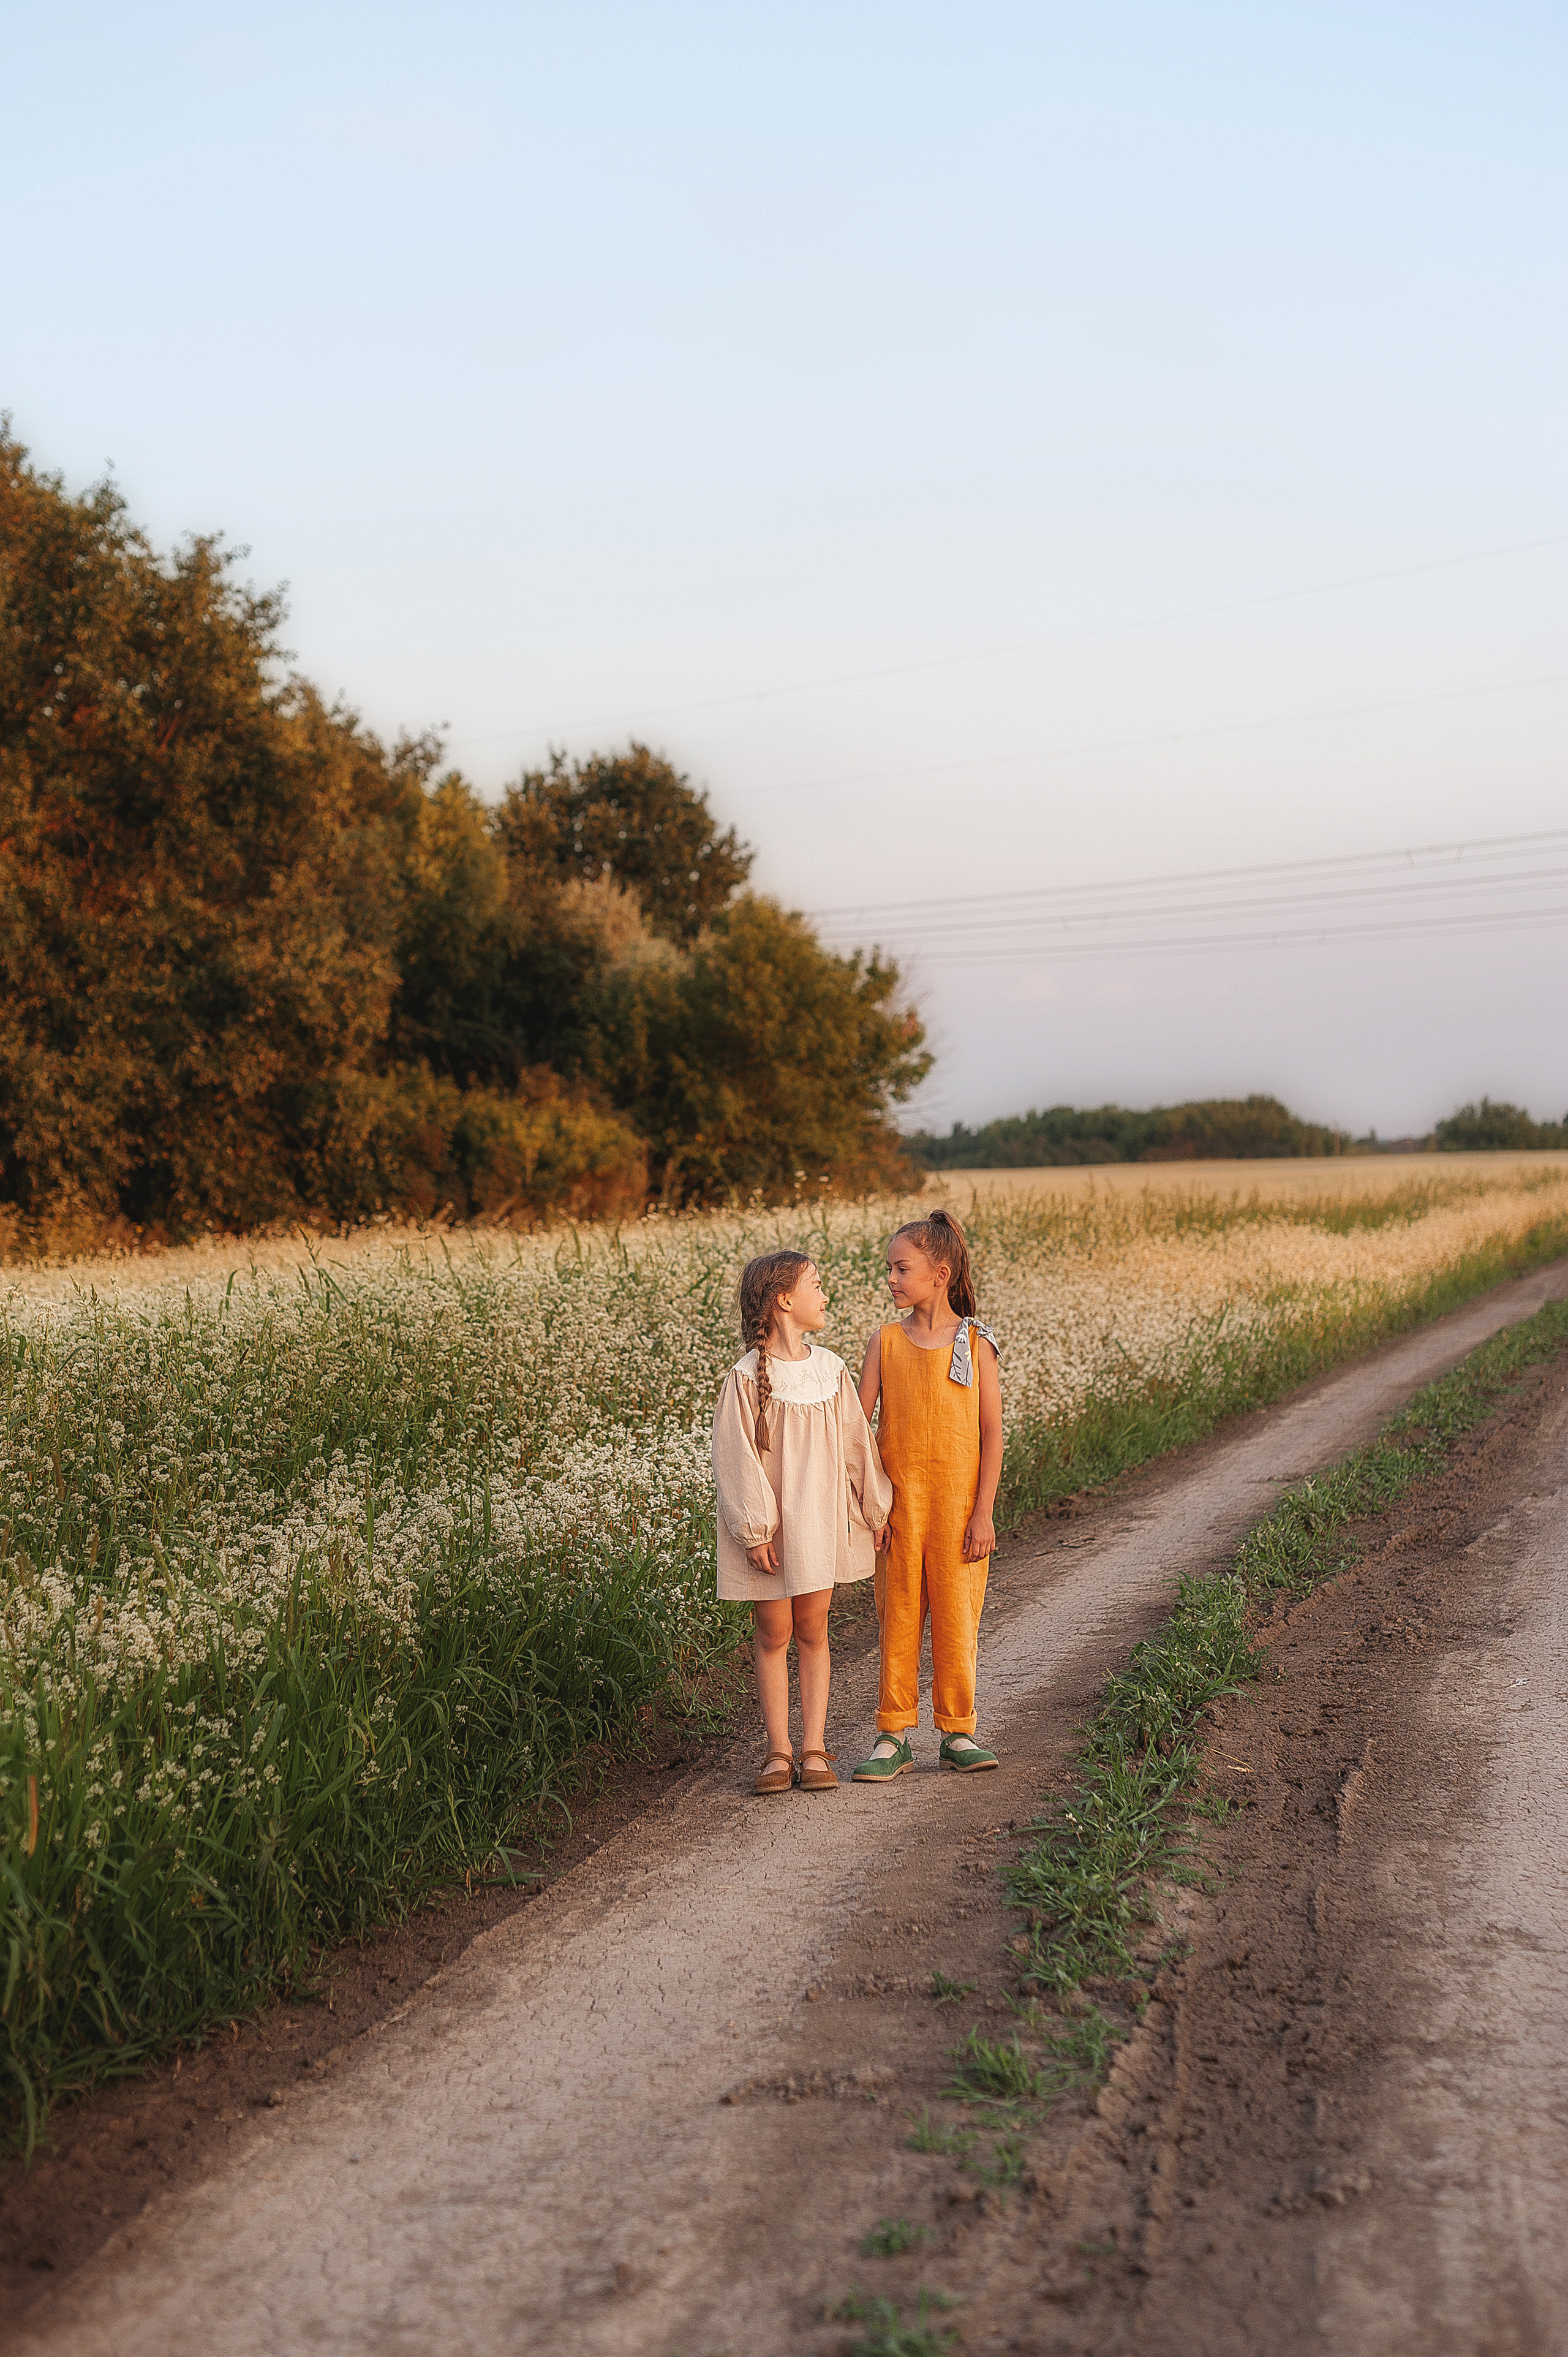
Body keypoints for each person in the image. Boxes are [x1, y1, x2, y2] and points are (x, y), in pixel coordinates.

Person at [711, 1249, 892, 1795]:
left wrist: (874, 1508)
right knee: (774, 1632)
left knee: (813, 1628)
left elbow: (857, 1444)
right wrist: (756, 1529)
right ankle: (777, 1750)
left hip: (815, 1524)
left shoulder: (831, 1368)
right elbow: (735, 1458)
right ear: (786, 1300)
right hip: (770, 1532)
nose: (826, 1293)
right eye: (817, 1284)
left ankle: (813, 1747)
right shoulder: (744, 1379)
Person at [851, 1208, 1003, 1782]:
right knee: (898, 1617)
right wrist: (872, 1503)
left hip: (960, 1512)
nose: (890, 1278)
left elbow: (992, 1433)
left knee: (958, 1617)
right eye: (888, 1269)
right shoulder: (884, 1342)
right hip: (900, 1512)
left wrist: (984, 1510)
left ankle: (957, 1728)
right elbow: (858, 1430)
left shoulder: (975, 1342)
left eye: (900, 1268)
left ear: (940, 1274)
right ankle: (893, 1733)